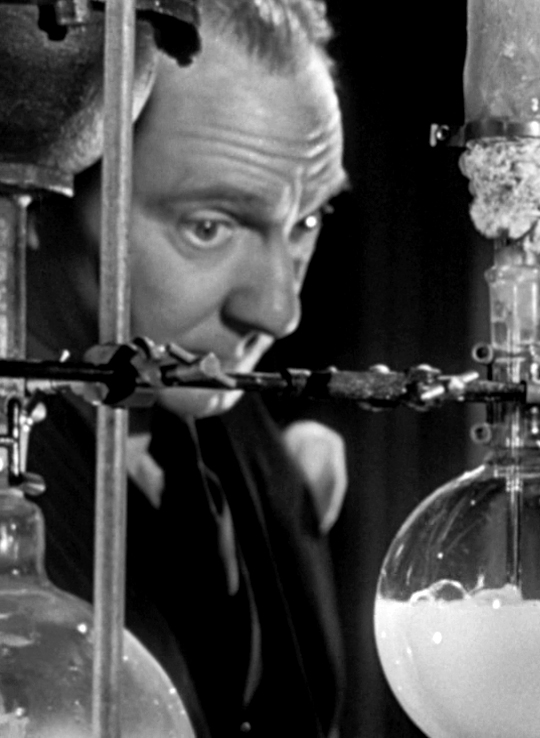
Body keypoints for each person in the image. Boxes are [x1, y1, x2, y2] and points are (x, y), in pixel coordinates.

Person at [23, 0, 349, 734]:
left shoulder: (249, 437)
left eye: (306, 222)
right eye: (209, 226)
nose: (279, 311)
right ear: (44, 194)